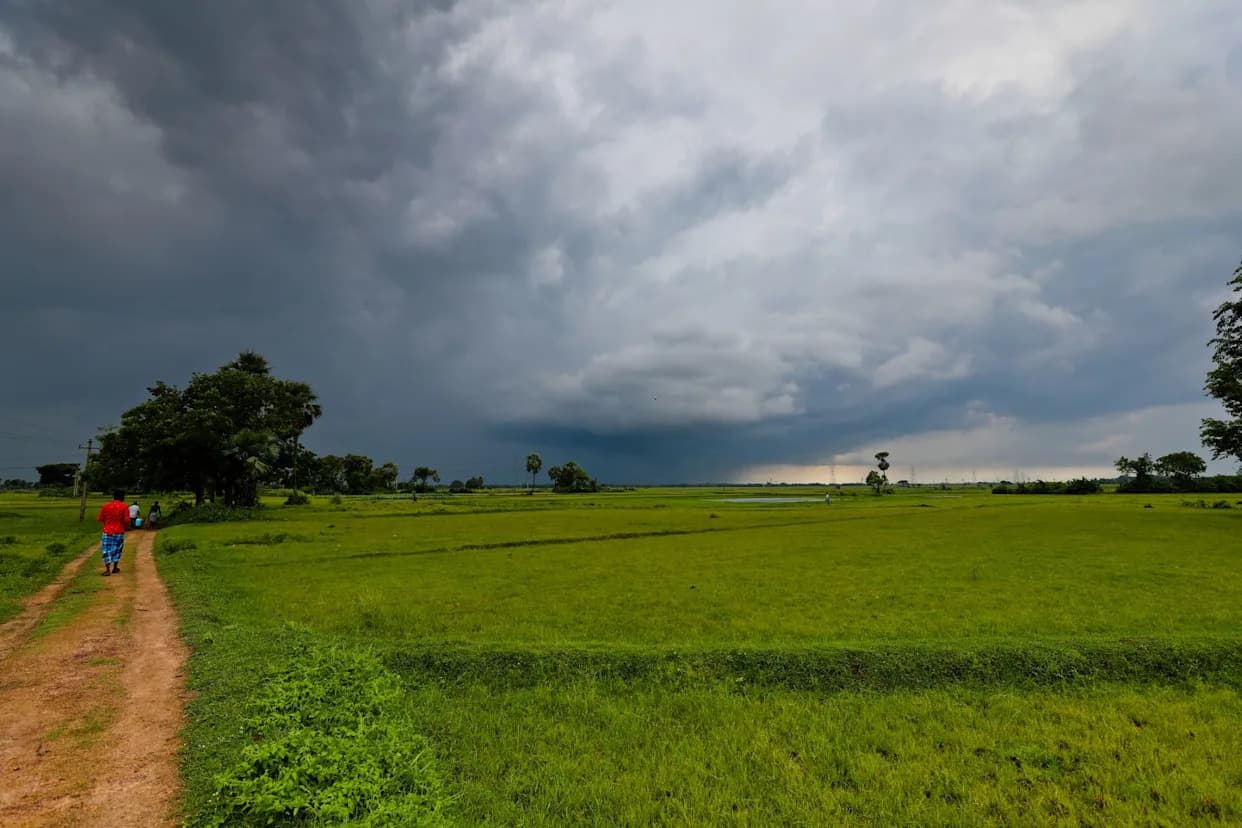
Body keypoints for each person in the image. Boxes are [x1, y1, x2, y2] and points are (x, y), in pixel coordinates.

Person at [97, 489, 131, 576]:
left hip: (107, 531)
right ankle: (115, 567)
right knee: (117, 549)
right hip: (119, 531)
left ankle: (107, 570)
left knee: (106, 550)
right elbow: (126, 520)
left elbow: (100, 519)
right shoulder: (124, 506)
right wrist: (127, 527)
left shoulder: (105, 506)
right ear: (122, 497)